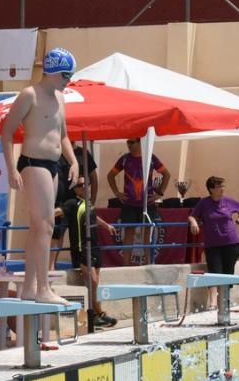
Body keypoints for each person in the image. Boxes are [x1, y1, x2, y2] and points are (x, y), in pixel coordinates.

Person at [1, 47, 79, 305]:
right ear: (54, 71)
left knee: (38, 227)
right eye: (67, 74)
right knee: (46, 225)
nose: (69, 79)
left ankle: (30, 288)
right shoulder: (29, 95)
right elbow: (7, 132)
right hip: (33, 163)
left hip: (53, 165)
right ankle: (43, 288)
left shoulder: (60, 98)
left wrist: (73, 160)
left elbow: (63, 135)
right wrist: (12, 168)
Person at [61, 176, 118, 328]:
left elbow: (94, 217)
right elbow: (58, 212)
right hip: (82, 247)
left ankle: (96, 314)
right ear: (75, 189)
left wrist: (106, 226)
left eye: (87, 184)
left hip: (94, 246)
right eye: (80, 185)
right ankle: (97, 313)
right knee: (92, 281)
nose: (85, 187)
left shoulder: (88, 203)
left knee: (95, 283)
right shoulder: (72, 203)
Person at [106, 137, 171, 265]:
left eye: (131, 142)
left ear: (139, 142)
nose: (129, 145)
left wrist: (159, 193)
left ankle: (147, 265)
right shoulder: (124, 158)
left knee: (147, 236)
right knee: (128, 236)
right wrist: (117, 193)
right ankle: (126, 266)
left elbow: (167, 174)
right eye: (127, 142)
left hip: (147, 204)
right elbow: (110, 175)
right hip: (129, 204)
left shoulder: (150, 158)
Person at [188, 176, 239, 309]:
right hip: (212, 244)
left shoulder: (228, 201)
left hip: (231, 243)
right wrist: (193, 223)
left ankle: (224, 301)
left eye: (223, 186)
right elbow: (192, 215)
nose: (222, 189)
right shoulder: (204, 203)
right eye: (219, 187)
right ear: (211, 189)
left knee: (227, 272)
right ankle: (213, 303)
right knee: (215, 272)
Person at [53, 144, 97, 267]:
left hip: (78, 202)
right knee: (57, 235)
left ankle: (81, 265)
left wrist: (92, 201)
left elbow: (93, 177)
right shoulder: (56, 151)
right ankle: (52, 266)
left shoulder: (83, 153)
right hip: (60, 201)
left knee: (80, 235)